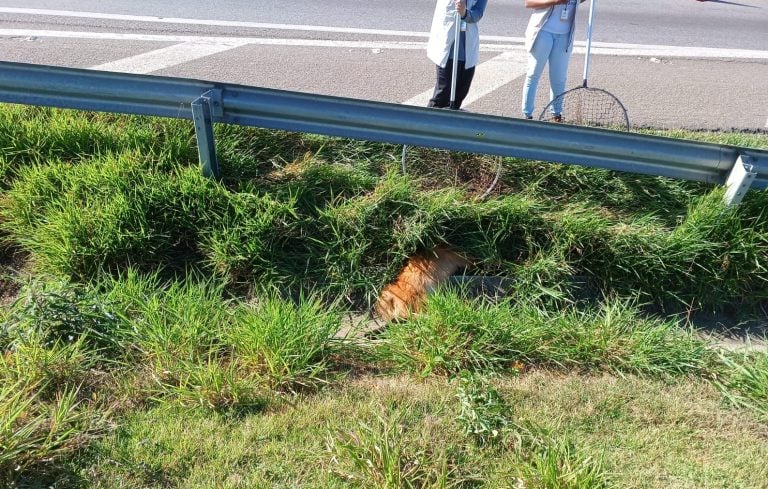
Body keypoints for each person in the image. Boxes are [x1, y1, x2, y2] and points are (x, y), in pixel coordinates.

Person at [521, 0, 585, 121]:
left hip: (565, 35)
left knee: (559, 78)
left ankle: (556, 114)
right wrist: (555, 1)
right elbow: (528, 3)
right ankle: (527, 115)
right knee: (533, 74)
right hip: (543, 32)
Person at [426, 0, 488, 110]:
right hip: (448, 48)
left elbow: (478, 12)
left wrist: (465, 13)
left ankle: (449, 124)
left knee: (460, 94)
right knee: (443, 95)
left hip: (467, 50)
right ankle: (426, 124)